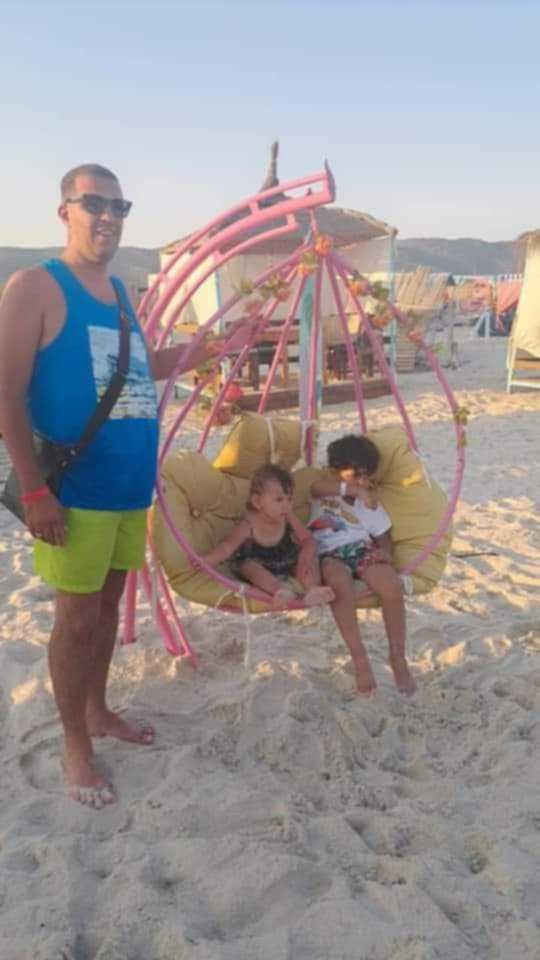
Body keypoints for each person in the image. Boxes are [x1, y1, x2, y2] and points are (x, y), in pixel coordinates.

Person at [0, 163, 223, 809]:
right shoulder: (35, 287)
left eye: (118, 206)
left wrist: (202, 352)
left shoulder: (122, 292)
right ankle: (76, 744)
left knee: (105, 611)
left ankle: (97, 710)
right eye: (93, 203)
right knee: (75, 621)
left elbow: (136, 370)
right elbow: (6, 395)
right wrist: (35, 492)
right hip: (74, 491)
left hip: (130, 486)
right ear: (64, 211)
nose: (107, 216)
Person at [309, 434, 416, 697]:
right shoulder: (324, 492)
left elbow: (383, 535)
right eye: (355, 474)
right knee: (338, 584)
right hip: (328, 553)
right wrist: (353, 490)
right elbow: (316, 487)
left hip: (361, 549)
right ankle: (360, 660)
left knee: (391, 585)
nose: (362, 481)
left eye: (366, 475)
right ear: (334, 471)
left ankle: (397, 656)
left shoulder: (369, 503)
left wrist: (385, 554)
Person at [200, 463, 334, 609]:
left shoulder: (288, 516)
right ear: (257, 502)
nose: (286, 506)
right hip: (258, 561)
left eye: (289, 499)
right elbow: (227, 547)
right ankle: (279, 591)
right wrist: (208, 560)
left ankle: (312, 588)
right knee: (249, 567)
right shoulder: (249, 524)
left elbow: (307, 539)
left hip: (287, 559)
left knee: (310, 562)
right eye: (279, 500)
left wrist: (305, 558)